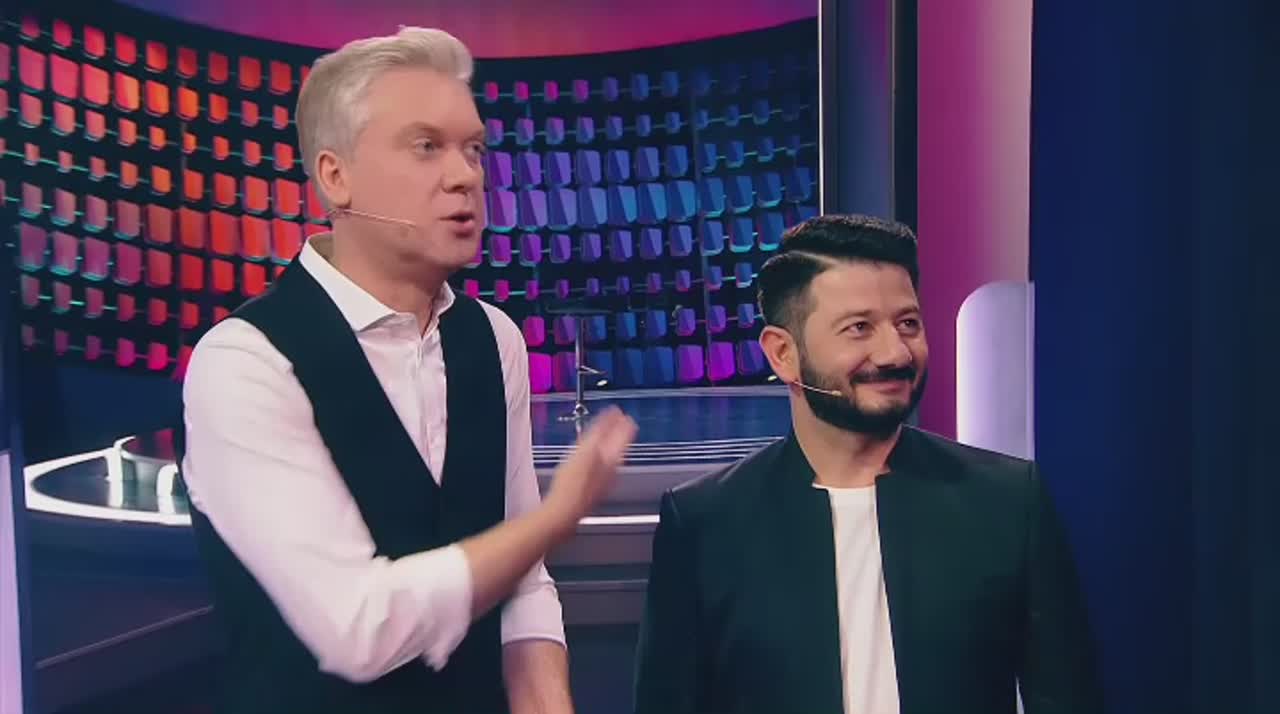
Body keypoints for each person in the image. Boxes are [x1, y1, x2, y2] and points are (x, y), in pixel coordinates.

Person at [178, 27, 636, 714]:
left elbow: (521, 581)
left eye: (473, 149)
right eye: (426, 146)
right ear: (336, 177)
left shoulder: (494, 340)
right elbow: (359, 628)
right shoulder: (246, 361)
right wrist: (557, 515)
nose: (465, 175)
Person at [633, 214, 1102, 714]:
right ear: (783, 353)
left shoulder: (1006, 501)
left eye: (908, 324)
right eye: (859, 328)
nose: (895, 352)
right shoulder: (707, 523)